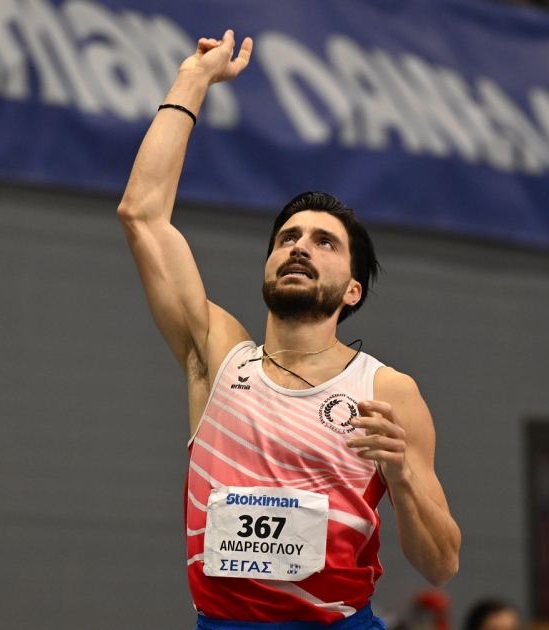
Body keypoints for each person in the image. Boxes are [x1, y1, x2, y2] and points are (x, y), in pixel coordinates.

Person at [116, 29, 461, 630]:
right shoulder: (216, 356)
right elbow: (141, 214)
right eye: (287, 238)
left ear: (352, 290)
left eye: (325, 242)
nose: (300, 246)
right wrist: (193, 79)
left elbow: (441, 565)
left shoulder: (386, 392)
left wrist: (402, 476)